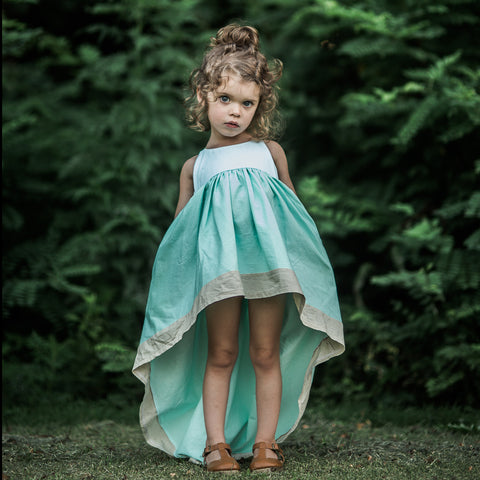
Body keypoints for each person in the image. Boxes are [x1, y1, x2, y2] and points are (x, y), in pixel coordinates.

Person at [132, 24, 345, 474]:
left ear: (259, 107)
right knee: (221, 353)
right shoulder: (196, 167)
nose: (235, 112)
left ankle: (266, 443)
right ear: (203, 97)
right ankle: (216, 445)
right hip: (218, 277)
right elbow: (181, 238)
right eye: (225, 99)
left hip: (267, 269)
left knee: (265, 352)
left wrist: (307, 269)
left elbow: (294, 219)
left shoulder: (270, 152)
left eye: (247, 104)